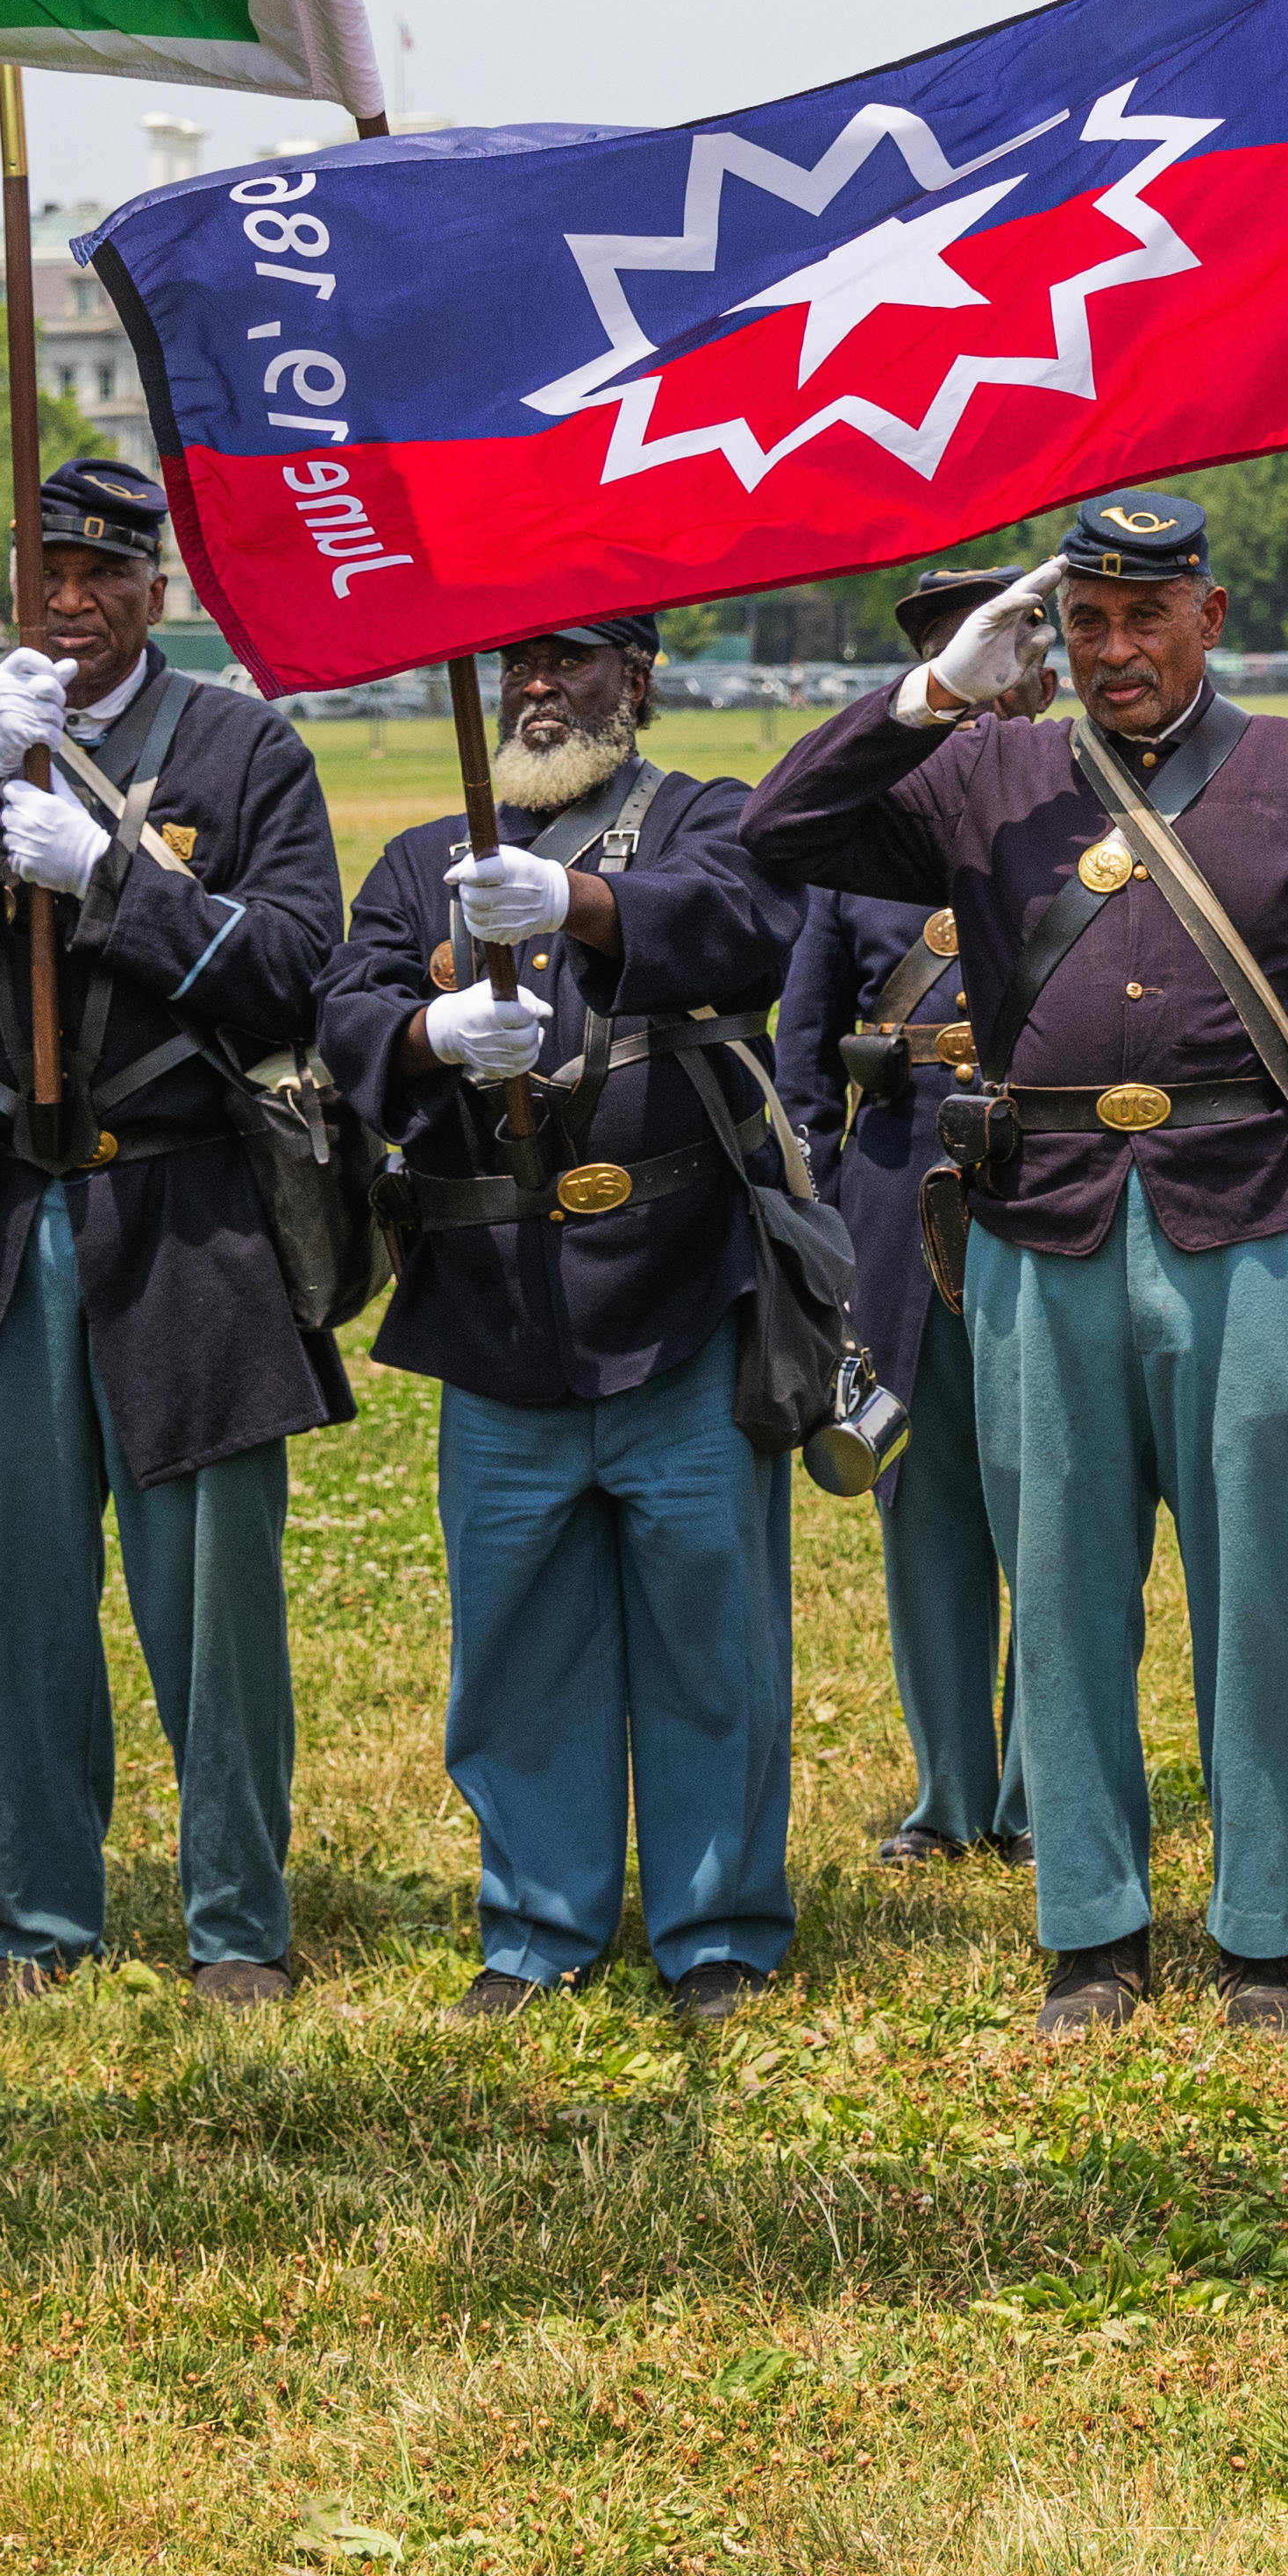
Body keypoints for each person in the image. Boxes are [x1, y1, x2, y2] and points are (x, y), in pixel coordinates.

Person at [747, 492, 1288, 2039]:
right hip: (1041, 1222)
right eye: (1086, 622)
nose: (1116, 649)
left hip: (1247, 1220)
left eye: (1147, 616)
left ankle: (1266, 1932)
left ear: (1213, 616)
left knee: (1261, 1593)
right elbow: (781, 829)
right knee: (1064, 1593)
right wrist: (932, 691)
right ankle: (1091, 1927)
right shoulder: (984, 771)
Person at [0, 460, 348, 2003]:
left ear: (153, 591)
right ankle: (38, 1919)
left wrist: (112, 880)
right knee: (17, 1600)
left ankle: (236, 1922)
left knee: (214, 1607)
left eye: (105, 573)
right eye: (46, 571)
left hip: (188, 1218)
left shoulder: (242, 747)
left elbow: (297, 969)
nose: (72, 600)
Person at [324, 614, 802, 2025]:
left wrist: (581, 905)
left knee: (712, 1641)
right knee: (520, 1648)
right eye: (516, 662)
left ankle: (718, 1930)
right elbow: (346, 1011)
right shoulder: (423, 861)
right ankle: (538, 1929)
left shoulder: (703, 817)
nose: (539, 686)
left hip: (681, 1295)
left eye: (573, 661)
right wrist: (427, 1035)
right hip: (493, 1312)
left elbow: (749, 925)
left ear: (635, 681)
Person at [772, 568, 1051, 1868]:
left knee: (1060, 1503)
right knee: (925, 1506)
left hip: (1050, 1180)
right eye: (959, 665)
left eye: (1011, 660)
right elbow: (802, 1060)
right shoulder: (858, 842)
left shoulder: (1090, 809)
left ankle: (1041, 1789)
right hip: (894, 1192)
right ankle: (948, 1793)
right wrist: (821, 1227)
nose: (989, 689)